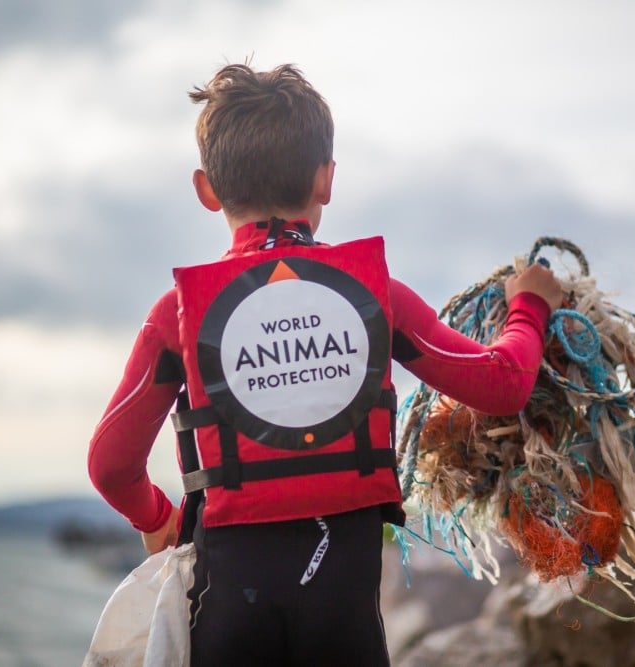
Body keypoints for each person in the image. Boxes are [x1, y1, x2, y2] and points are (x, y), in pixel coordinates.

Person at [88, 62, 561, 667]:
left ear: (207, 190)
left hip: (229, 626)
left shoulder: (178, 316)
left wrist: (157, 518)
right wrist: (530, 304)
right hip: (345, 632)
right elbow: (503, 384)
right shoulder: (376, 297)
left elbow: (110, 465)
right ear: (326, 179)